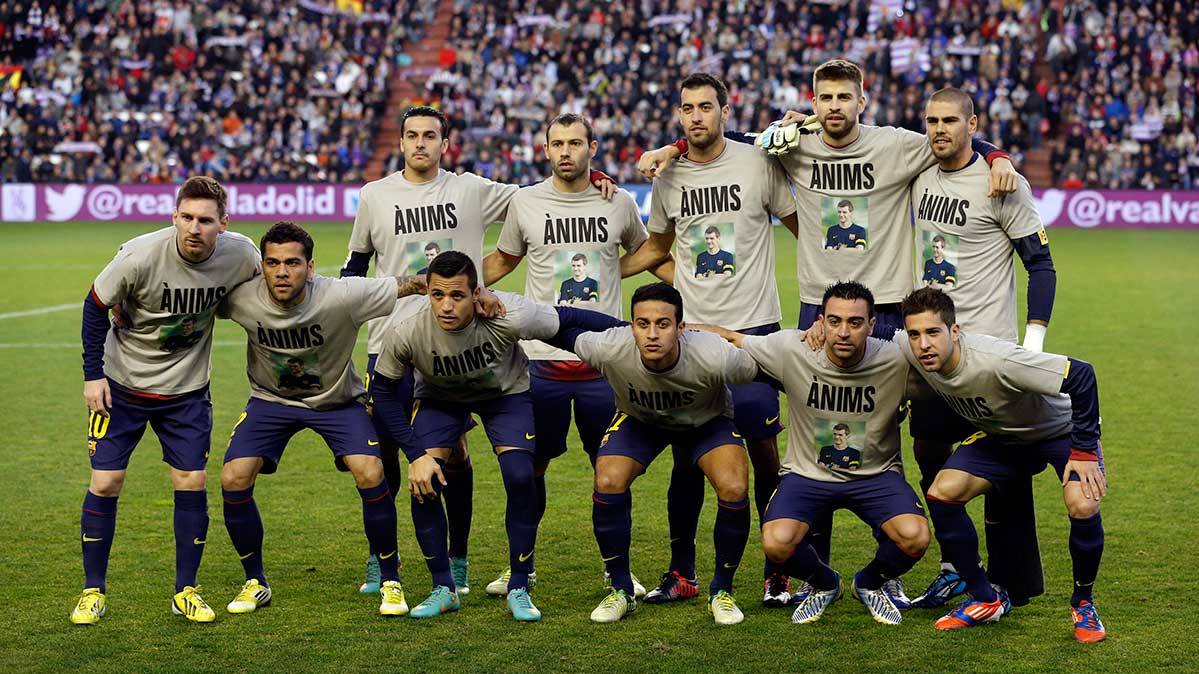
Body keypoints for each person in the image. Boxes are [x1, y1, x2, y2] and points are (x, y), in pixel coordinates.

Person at [634, 61, 1019, 599]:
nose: (833, 105)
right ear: (812, 103)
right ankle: (819, 571)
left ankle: (913, 567)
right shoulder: (791, 144)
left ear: (863, 101)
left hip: (888, 311)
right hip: (819, 309)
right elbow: (725, 137)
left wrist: (999, 157)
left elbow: (954, 136)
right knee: (817, 430)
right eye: (824, 98)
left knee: (892, 432)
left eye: (844, 96)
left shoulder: (898, 144)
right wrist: (669, 149)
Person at [342, 105, 616, 595]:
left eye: (430, 135)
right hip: (393, 341)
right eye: (411, 135)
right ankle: (381, 558)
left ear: (445, 143)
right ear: (400, 142)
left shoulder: (471, 189)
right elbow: (355, 268)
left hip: (460, 345)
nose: (420, 143)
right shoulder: (374, 196)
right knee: (381, 457)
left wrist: (591, 175)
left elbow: (546, 192)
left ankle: (458, 559)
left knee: (451, 455)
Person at [619, 72, 802, 608]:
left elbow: (802, 229)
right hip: (692, 338)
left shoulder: (756, 162)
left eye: (705, 106)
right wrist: (609, 276)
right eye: (686, 108)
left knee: (765, 455)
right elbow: (656, 249)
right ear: (679, 116)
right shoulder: (667, 176)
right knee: (688, 456)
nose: (696, 116)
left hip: (754, 334)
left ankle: (777, 568)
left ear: (726, 109)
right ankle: (682, 571)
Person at [368, 251, 624, 622]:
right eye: (437, 295)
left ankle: (519, 585)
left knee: (521, 476)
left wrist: (626, 328)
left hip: (505, 396)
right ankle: (444, 588)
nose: (446, 305)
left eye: (457, 295)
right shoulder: (407, 331)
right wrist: (415, 454)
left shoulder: (507, 314)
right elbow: (383, 393)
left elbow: (567, 319)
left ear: (477, 293)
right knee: (425, 481)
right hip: (440, 400)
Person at [481, 112, 665, 598]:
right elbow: (503, 260)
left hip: (603, 364)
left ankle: (617, 571)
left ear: (593, 148)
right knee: (528, 470)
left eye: (576, 143)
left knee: (611, 470)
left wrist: (613, 270)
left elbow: (649, 252)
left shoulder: (619, 201)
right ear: (545, 150)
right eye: (557, 143)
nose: (566, 151)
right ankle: (520, 566)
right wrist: (451, 289)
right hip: (538, 363)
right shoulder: (525, 202)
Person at [215, 222, 429, 617]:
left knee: (370, 470)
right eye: (273, 263)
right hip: (270, 401)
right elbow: (192, 301)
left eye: (293, 263)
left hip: (337, 402)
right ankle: (255, 581)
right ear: (261, 266)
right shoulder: (241, 298)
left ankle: (390, 580)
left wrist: (476, 292)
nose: (282, 272)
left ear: (310, 267)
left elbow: (409, 283)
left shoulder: (341, 296)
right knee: (233, 476)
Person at [74, 176, 260, 625]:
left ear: (223, 223)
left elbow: (262, 298)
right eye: (187, 218)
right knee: (105, 483)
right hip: (121, 389)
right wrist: (92, 376)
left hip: (187, 394)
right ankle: (92, 591)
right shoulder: (139, 256)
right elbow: (95, 305)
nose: (195, 228)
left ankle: (185, 590)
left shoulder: (242, 255)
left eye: (206, 220)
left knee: (191, 482)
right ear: (174, 216)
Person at [696, 280, 930, 626]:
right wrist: (678, 330)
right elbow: (731, 338)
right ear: (821, 321)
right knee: (776, 543)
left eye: (854, 323)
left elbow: (942, 348)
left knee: (916, 537)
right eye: (834, 321)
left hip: (876, 476)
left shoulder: (895, 355)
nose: (844, 332)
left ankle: (869, 583)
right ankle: (825, 583)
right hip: (807, 476)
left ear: (872, 324)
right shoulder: (793, 349)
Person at [907, 87, 1058, 609]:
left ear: (973, 122)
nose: (939, 130)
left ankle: (1013, 582)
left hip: (988, 354)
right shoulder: (920, 170)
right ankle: (954, 566)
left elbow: (1040, 264)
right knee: (926, 449)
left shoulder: (1003, 185)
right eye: (931, 121)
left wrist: (1033, 342)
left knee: (1002, 471)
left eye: (951, 120)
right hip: (931, 353)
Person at [900, 287, 1106, 643]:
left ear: (955, 331)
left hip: (1060, 432)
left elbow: (1082, 375)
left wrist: (1085, 451)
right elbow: (871, 338)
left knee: (1082, 503)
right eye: (914, 334)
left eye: (933, 332)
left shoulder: (998, 360)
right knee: (941, 493)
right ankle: (985, 598)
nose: (923, 344)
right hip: (1003, 439)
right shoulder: (914, 351)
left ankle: (1083, 603)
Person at [556, 282, 758, 625]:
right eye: (642, 324)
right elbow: (554, 327)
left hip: (705, 423)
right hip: (640, 421)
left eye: (663, 324)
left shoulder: (713, 354)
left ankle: (721, 591)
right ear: (630, 325)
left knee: (734, 486)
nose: (652, 334)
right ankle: (620, 589)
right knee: (607, 478)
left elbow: (765, 368)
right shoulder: (610, 346)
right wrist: (497, 309)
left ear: (681, 328)